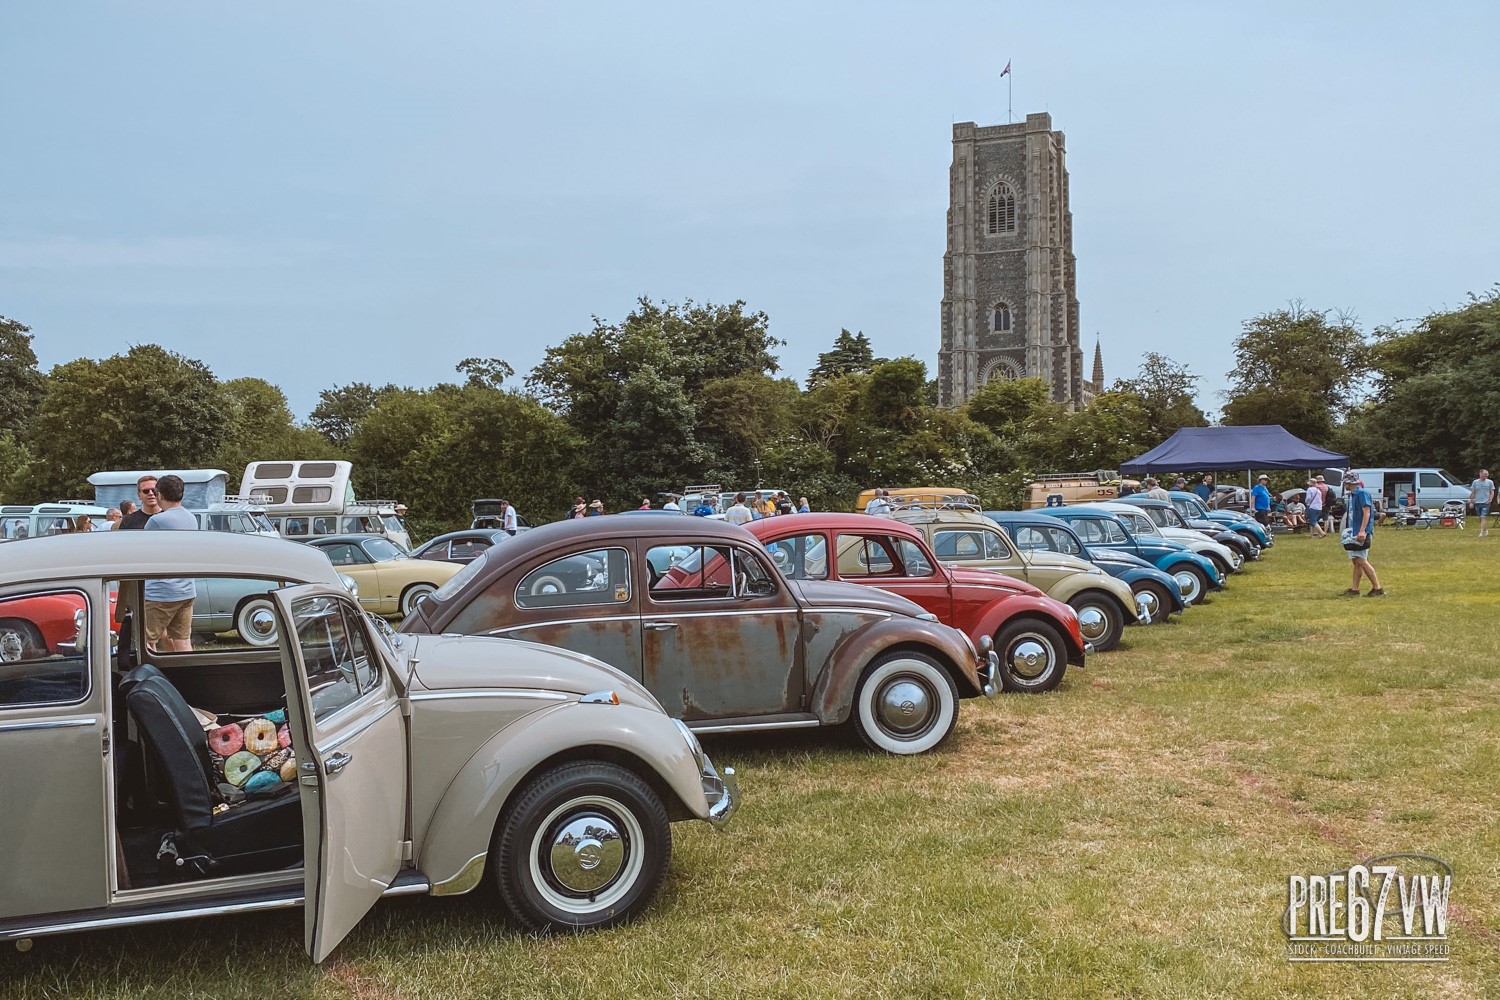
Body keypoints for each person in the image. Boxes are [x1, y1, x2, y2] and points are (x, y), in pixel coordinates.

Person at [144, 475, 200, 652]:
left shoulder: (157, 521)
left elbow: (143, 552)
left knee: (147, 642)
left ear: (159, 494)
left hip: (160, 592)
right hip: (186, 589)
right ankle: (189, 677)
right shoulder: (191, 518)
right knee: (182, 640)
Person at [1342, 473, 1385, 596]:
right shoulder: (1352, 495)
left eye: (1346, 482)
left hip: (1361, 531)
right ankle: (1354, 589)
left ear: (1350, 483)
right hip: (1354, 530)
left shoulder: (1362, 494)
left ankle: (1377, 588)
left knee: (1361, 560)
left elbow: (1367, 513)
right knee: (1356, 560)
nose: (1345, 484)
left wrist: (1362, 531)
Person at [1470, 469, 1494, 537]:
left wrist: (1490, 499)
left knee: (1483, 517)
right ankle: (1485, 530)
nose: (1486, 475)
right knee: (1480, 518)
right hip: (1477, 502)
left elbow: (1492, 492)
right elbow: (1473, 492)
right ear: (1480, 474)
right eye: (1485, 474)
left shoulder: (1490, 482)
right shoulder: (1475, 482)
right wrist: (1471, 502)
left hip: (1486, 502)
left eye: (1487, 474)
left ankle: (1481, 532)